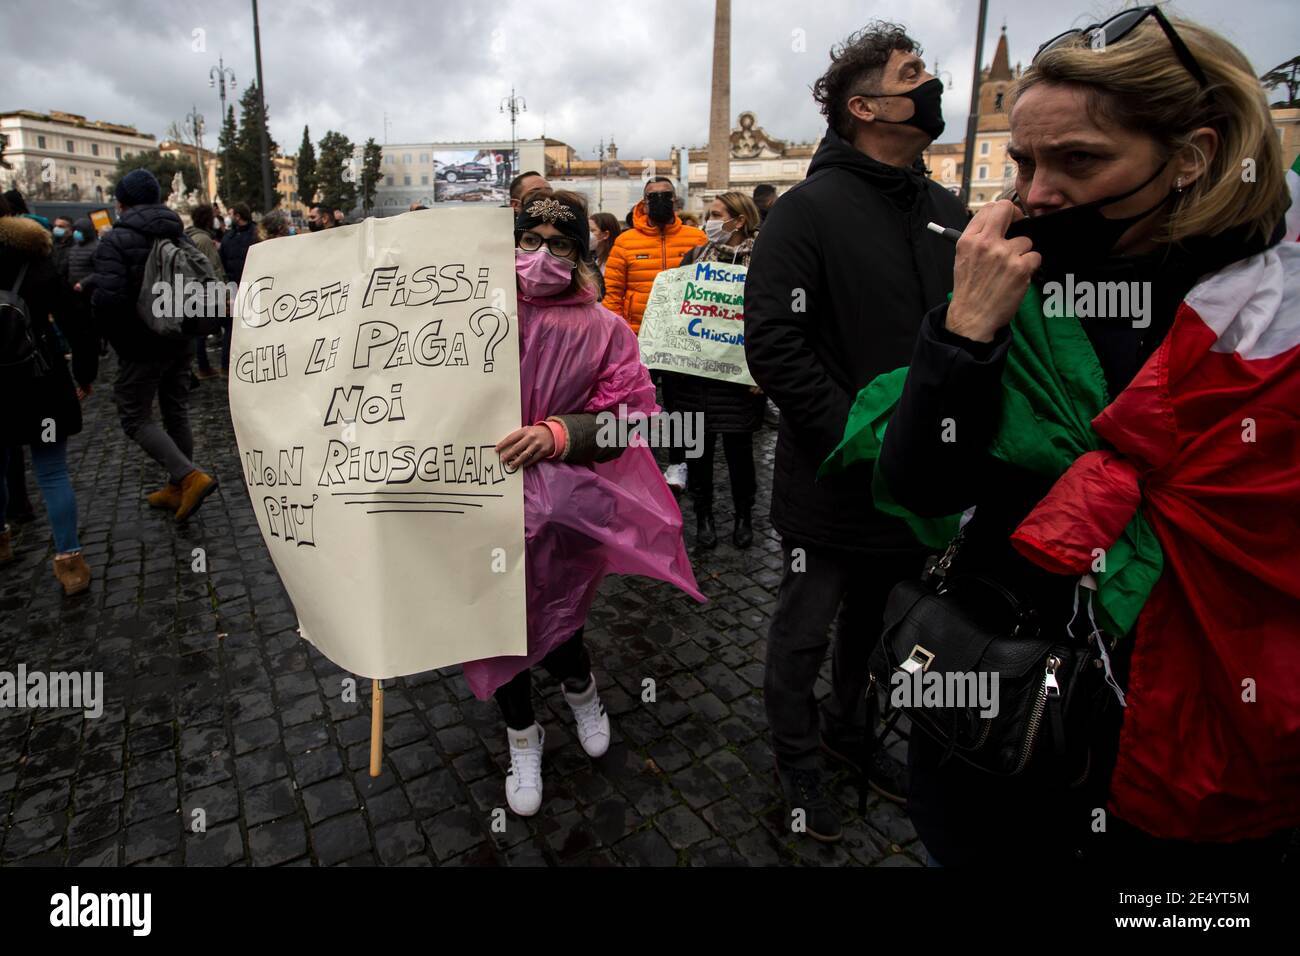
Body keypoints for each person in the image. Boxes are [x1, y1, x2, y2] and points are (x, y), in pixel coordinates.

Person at [878, 8, 1298, 866]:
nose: (1034, 192)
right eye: (1026, 161)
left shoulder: (1272, 312)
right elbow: (919, 483)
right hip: (1003, 704)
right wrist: (961, 336)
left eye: (1079, 160)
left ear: (1193, 156)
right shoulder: (1014, 278)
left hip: (1198, 716)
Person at [743, 21, 965, 843]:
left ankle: (853, 731)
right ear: (866, 105)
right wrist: (857, 439)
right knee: (806, 629)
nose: (931, 82)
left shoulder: (948, 211)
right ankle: (797, 757)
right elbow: (774, 344)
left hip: (916, 485)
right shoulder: (803, 214)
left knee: (878, 631)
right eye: (914, 72)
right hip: (831, 482)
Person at [460, 187, 704, 816]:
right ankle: (522, 735)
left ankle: (580, 691)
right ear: (510, 242)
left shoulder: (603, 328)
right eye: (529, 240)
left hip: (566, 505)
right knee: (494, 627)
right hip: (476, 502)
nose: (541, 256)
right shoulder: (470, 311)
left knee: (560, 615)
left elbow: (632, 414)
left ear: (580, 254)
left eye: (560, 244)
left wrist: (559, 433)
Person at [92, 168, 219, 522]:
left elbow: (108, 303)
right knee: (175, 409)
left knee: (134, 416)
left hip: (140, 345)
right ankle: (177, 487)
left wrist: (120, 343)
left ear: (121, 203)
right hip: (179, 339)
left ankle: (188, 476)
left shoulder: (115, 241)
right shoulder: (180, 236)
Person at [0, 195, 93, 594]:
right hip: (40, 381)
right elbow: (75, 319)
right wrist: (85, 370)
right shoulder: (37, 259)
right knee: (52, 472)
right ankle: (69, 563)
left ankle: (1, 541)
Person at [663, 192, 766, 550]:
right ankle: (703, 517)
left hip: (739, 380)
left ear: (738, 221)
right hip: (696, 375)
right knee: (699, 453)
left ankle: (743, 516)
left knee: (740, 455)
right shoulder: (694, 257)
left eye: (717, 214)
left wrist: (761, 373)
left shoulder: (764, 262)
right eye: (709, 213)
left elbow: (770, 321)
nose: (710, 220)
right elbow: (675, 307)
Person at [603, 178, 706, 493]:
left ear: (675, 200)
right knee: (637, 405)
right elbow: (613, 296)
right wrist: (618, 342)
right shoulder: (625, 242)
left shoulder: (697, 238)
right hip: (639, 340)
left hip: (682, 339)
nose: (660, 201)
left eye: (666, 196)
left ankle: (679, 463)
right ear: (643, 202)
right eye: (653, 196)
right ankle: (638, 462)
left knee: (681, 405)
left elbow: (707, 291)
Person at [185, 205, 227, 379]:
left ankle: (202, 367)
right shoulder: (203, 240)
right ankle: (216, 366)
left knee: (199, 331)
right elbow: (213, 268)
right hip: (207, 290)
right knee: (222, 326)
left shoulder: (189, 236)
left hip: (194, 288)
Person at [219, 202, 259, 373]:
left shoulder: (229, 237)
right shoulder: (255, 234)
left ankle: (229, 367)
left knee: (234, 329)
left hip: (239, 287)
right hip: (246, 287)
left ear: (238, 216)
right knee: (240, 329)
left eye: (231, 214)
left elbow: (222, 262)